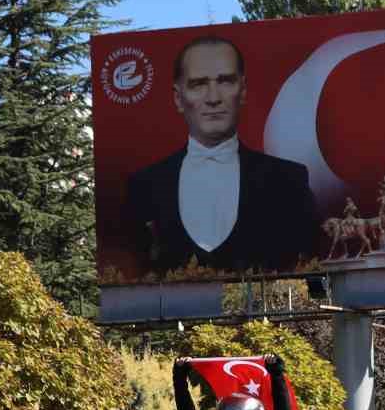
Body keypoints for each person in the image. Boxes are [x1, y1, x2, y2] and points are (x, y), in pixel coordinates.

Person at [127, 35, 316, 274]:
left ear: (243, 90)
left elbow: (309, 266)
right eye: (198, 84)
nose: (214, 98)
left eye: (226, 81)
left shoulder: (289, 180)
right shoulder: (143, 187)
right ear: (178, 97)